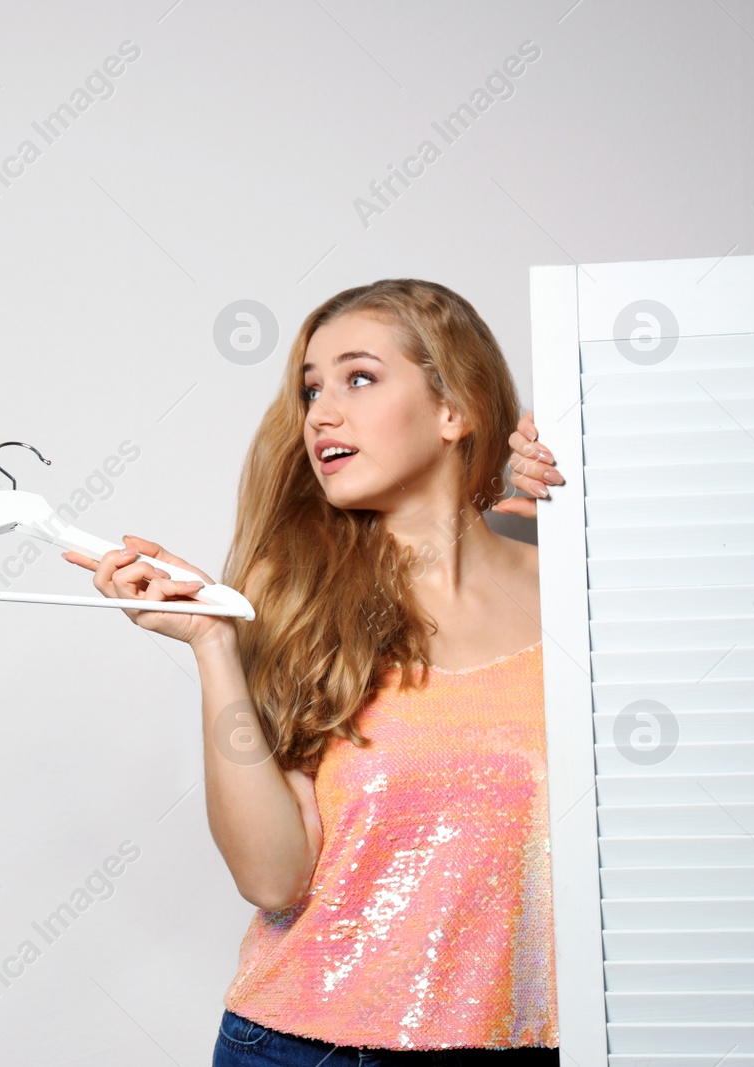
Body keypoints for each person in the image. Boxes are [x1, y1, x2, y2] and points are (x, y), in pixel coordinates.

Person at [64, 279, 566, 1066]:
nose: (321, 414)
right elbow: (272, 876)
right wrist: (211, 645)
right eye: (311, 389)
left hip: (538, 1043)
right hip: (306, 1047)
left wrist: (611, 492)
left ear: (454, 408)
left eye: (358, 378)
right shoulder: (292, 592)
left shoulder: (576, 595)